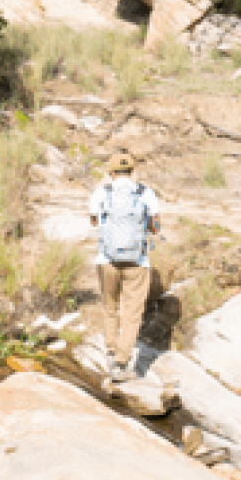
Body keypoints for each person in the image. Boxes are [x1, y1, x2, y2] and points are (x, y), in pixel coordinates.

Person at [87, 151, 161, 382]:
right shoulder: (145, 193)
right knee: (131, 314)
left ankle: (110, 350)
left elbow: (93, 220)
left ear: (111, 173)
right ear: (132, 172)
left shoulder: (102, 192)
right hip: (137, 263)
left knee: (110, 307)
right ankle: (121, 363)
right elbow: (156, 227)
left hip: (106, 261)